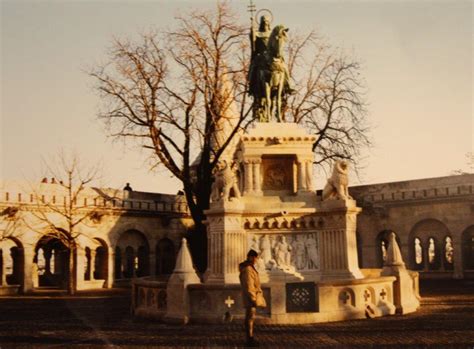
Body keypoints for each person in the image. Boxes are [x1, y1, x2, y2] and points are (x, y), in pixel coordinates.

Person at [239, 249, 266, 347]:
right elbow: (249, 285)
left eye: (256, 258)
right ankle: (249, 339)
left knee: (250, 317)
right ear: (250, 257)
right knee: (250, 318)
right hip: (250, 297)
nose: (256, 260)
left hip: (251, 296)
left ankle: (250, 337)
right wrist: (253, 298)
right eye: (255, 258)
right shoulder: (248, 269)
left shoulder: (249, 268)